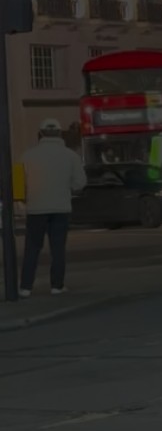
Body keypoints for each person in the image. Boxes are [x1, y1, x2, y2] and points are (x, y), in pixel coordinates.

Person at [19, 119, 87, 298]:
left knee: (32, 248)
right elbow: (80, 182)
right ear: (59, 134)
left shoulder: (27, 156)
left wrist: (25, 198)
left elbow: (18, 184)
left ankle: (26, 287)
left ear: (40, 134)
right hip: (60, 208)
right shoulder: (70, 156)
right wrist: (68, 189)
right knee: (58, 249)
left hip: (35, 209)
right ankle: (57, 286)